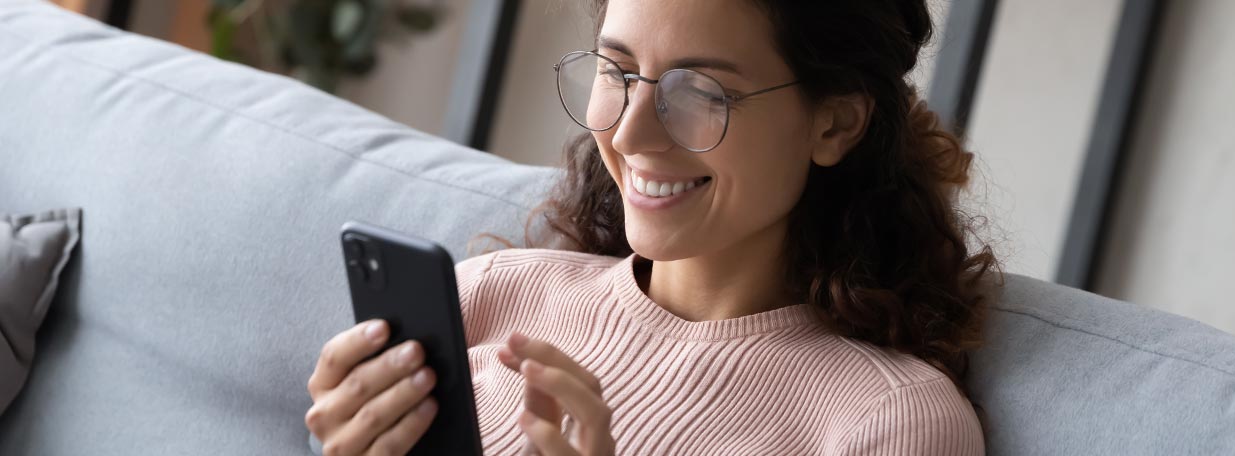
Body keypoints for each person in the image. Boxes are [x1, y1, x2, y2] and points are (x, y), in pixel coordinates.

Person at [304, 0, 1000, 454]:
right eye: (619, 71)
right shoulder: (487, 299)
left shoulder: (888, 423)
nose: (630, 132)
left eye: (698, 91)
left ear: (836, 122)